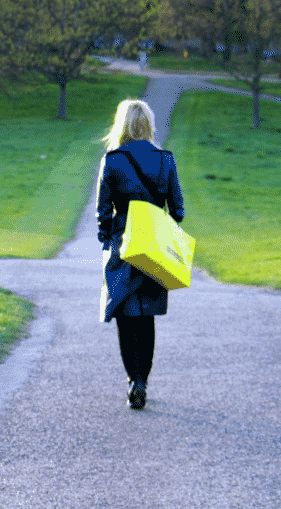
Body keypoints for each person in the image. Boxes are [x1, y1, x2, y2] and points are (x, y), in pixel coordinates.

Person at [96, 99, 185, 410]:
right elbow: (179, 210)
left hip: (123, 247)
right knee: (146, 317)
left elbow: (102, 213)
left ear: (122, 125)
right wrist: (160, 227)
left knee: (124, 316)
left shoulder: (112, 160)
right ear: (147, 125)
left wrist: (108, 239)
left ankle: (132, 379)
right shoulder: (166, 160)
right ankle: (143, 380)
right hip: (155, 248)